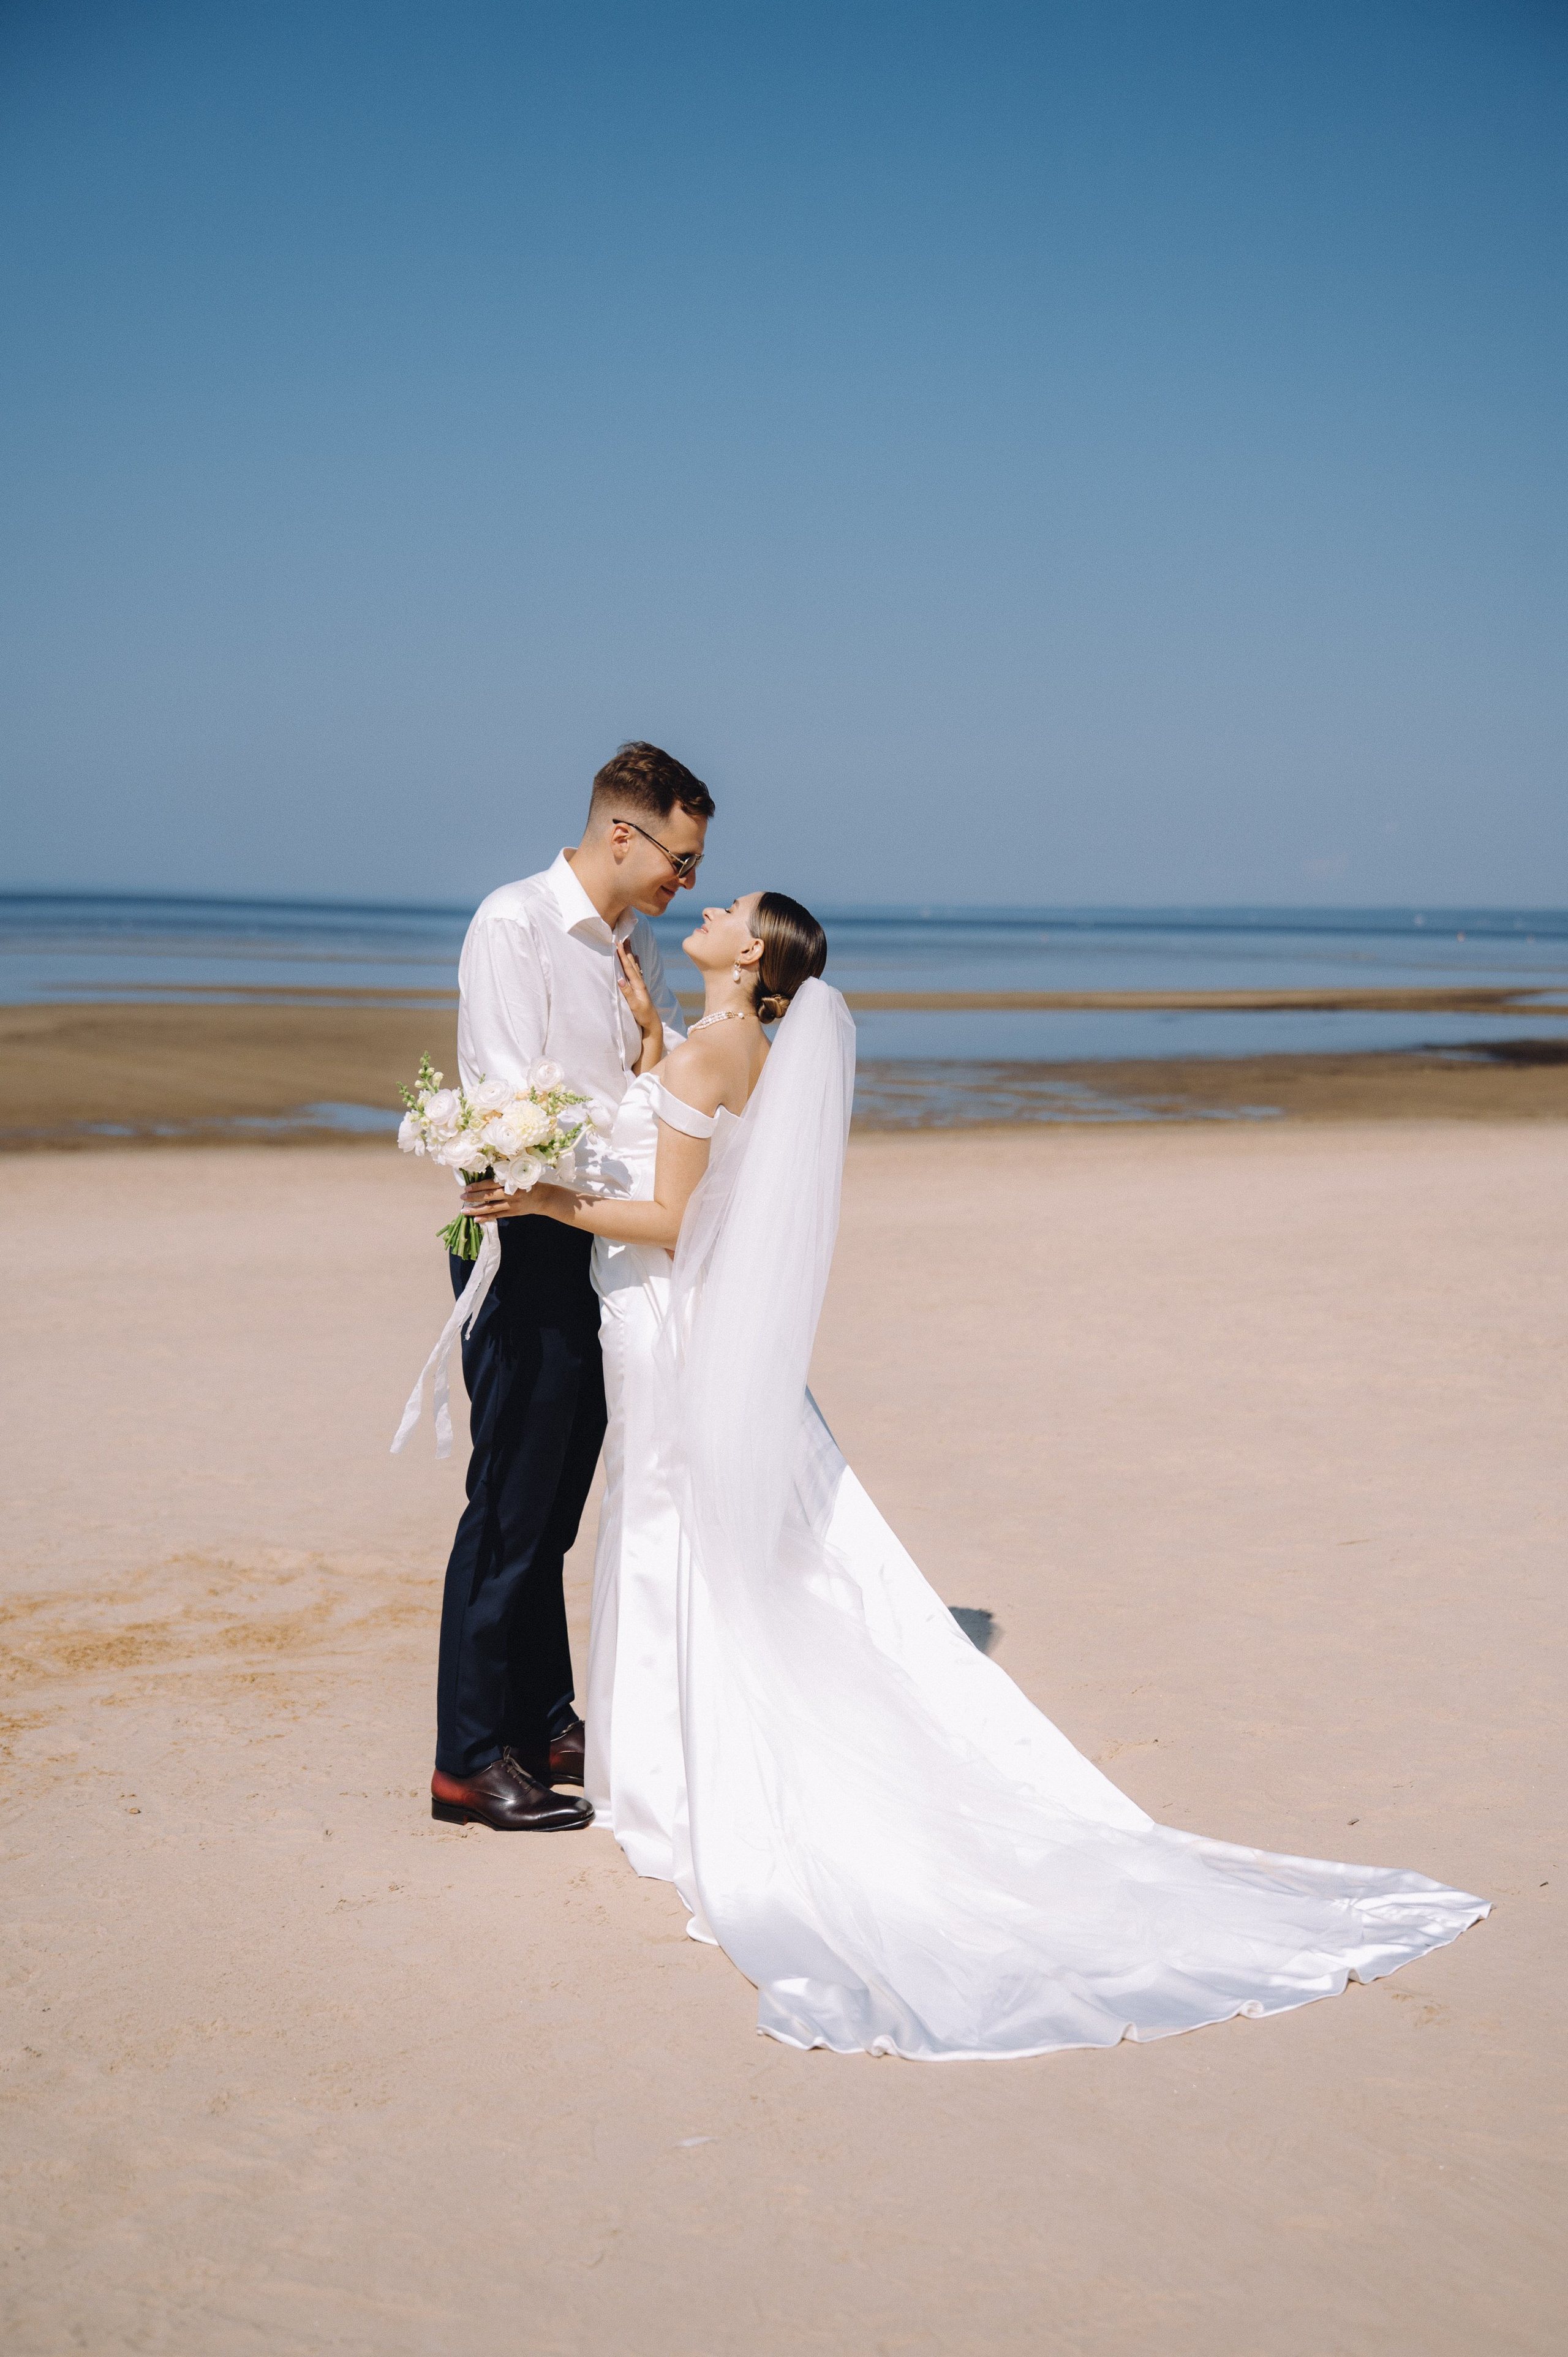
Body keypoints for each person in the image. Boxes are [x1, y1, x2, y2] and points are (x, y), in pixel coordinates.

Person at [464, 918, 1489, 2060]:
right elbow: (692, 1130)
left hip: (662, 1320)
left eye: (725, 914)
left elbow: (670, 1216)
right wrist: (652, 1034)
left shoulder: (716, 1055)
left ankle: (666, 1776)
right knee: (701, 1532)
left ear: (751, 959)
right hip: (686, 1321)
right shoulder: (739, 1047)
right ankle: (659, 1755)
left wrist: (552, 1205)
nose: (703, 917)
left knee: (671, 1525)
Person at [428, 741, 714, 1835]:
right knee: (508, 1504)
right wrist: (636, 1164)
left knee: (554, 1504)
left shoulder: (629, 945)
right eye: (679, 861)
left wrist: (656, 1050)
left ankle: (546, 1719)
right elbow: (514, 1107)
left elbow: (633, 1088)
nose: (683, 882)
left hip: (588, 1238)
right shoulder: (516, 925)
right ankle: (466, 1760)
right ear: (621, 833)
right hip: (519, 1236)